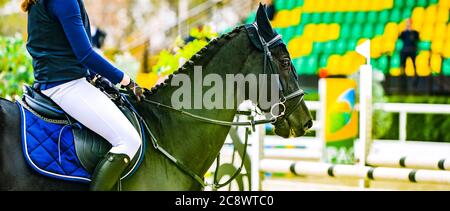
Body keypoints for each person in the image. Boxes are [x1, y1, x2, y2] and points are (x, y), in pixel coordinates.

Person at [21, 0, 145, 191]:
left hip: (58, 81)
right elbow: (85, 55)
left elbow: (63, 46)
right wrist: (126, 81)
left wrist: (96, 77)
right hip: (66, 86)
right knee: (129, 141)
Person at [398, 19, 420, 92]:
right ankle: (402, 81)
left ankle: (416, 81)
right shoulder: (404, 33)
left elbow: (417, 39)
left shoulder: (415, 32)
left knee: (414, 66)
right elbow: (399, 37)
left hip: (412, 51)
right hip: (405, 51)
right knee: (403, 66)